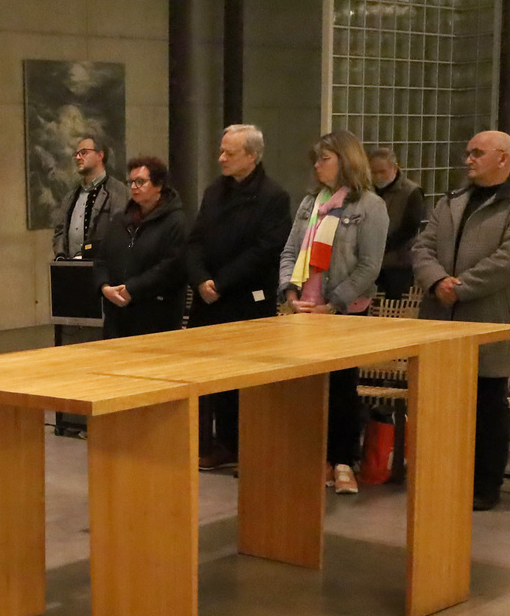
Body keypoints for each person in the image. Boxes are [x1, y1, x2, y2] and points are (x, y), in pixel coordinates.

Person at [411, 130, 510, 511]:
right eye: (468, 152)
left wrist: (461, 288)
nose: (468, 159)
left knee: (486, 405)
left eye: (477, 153)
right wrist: (437, 281)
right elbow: (422, 247)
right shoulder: (452, 200)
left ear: (503, 158)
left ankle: (485, 486)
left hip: (489, 318)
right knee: (440, 405)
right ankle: (441, 478)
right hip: (440, 318)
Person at [279, 131, 388, 494]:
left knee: (341, 387)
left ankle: (343, 460)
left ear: (346, 160)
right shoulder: (310, 203)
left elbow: (369, 266)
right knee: (307, 388)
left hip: (343, 311)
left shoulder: (369, 206)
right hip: (305, 309)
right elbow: (289, 252)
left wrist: (333, 303)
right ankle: (314, 458)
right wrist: (290, 291)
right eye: (316, 159)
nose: (317, 165)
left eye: (324, 158)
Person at [185, 123, 294, 469]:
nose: (221, 158)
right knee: (208, 375)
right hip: (208, 299)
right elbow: (195, 241)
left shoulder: (273, 197)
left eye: (229, 153)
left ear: (251, 156)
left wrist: (220, 283)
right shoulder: (214, 191)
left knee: (244, 377)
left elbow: (265, 250)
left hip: (246, 299)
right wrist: (201, 279)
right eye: (221, 151)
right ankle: (215, 443)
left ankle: (246, 443)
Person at [94, 156, 188, 339]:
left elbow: (171, 268)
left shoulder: (175, 221)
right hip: (117, 316)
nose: (134, 187)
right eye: (131, 182)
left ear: (158, 185)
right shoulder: (120, 220)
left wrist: (132, 289)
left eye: (140, 182)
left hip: (155, 317)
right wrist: (104, 287)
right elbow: (101, 260)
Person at [53, 137, 129, 260]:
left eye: (83, 152)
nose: (78, 157)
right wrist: (60, 255)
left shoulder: (118, 191)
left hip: (103, 267)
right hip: (71, 267)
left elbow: (120, 233)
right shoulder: (70, 196)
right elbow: (60, 231)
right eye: (76, 154)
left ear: (100, 155)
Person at [368, 146, 426, 298]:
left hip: (398, 263)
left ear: (394, 168)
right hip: (370, 263)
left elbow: (409, 228)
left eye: (382, 171)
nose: (378, 176)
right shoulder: (367, 190)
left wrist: (382, 246)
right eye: (374, 172)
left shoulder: (411, 191)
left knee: (394, 304)